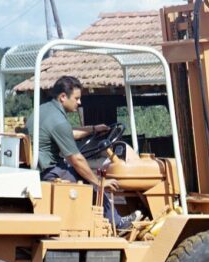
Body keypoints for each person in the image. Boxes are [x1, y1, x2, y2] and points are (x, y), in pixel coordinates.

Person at [26, 75, 140, 230]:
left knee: (85, 174)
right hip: (50, 171)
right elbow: (76, 159)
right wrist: (99, 183)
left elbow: (68, 133)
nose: (79, 102)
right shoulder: (58, 121)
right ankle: (118, 223)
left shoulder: (45, 110)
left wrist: (93, 129)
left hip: (39, 168)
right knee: (89, 180)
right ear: (63, 97)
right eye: (77, 98)